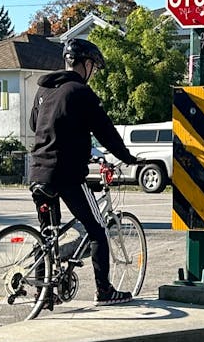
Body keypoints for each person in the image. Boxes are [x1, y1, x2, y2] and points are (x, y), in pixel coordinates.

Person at [28, 38, 140, 306]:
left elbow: (36, 125)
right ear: (86, 64)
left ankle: (43, 293)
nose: (93, 73)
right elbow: (106, 132)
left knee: (48, 234)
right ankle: (105, 291)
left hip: (37, 172)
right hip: (67, 175)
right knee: (97, 229)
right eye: (94, 67)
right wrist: (128, 158)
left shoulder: (43, 90)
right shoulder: (81, 92)